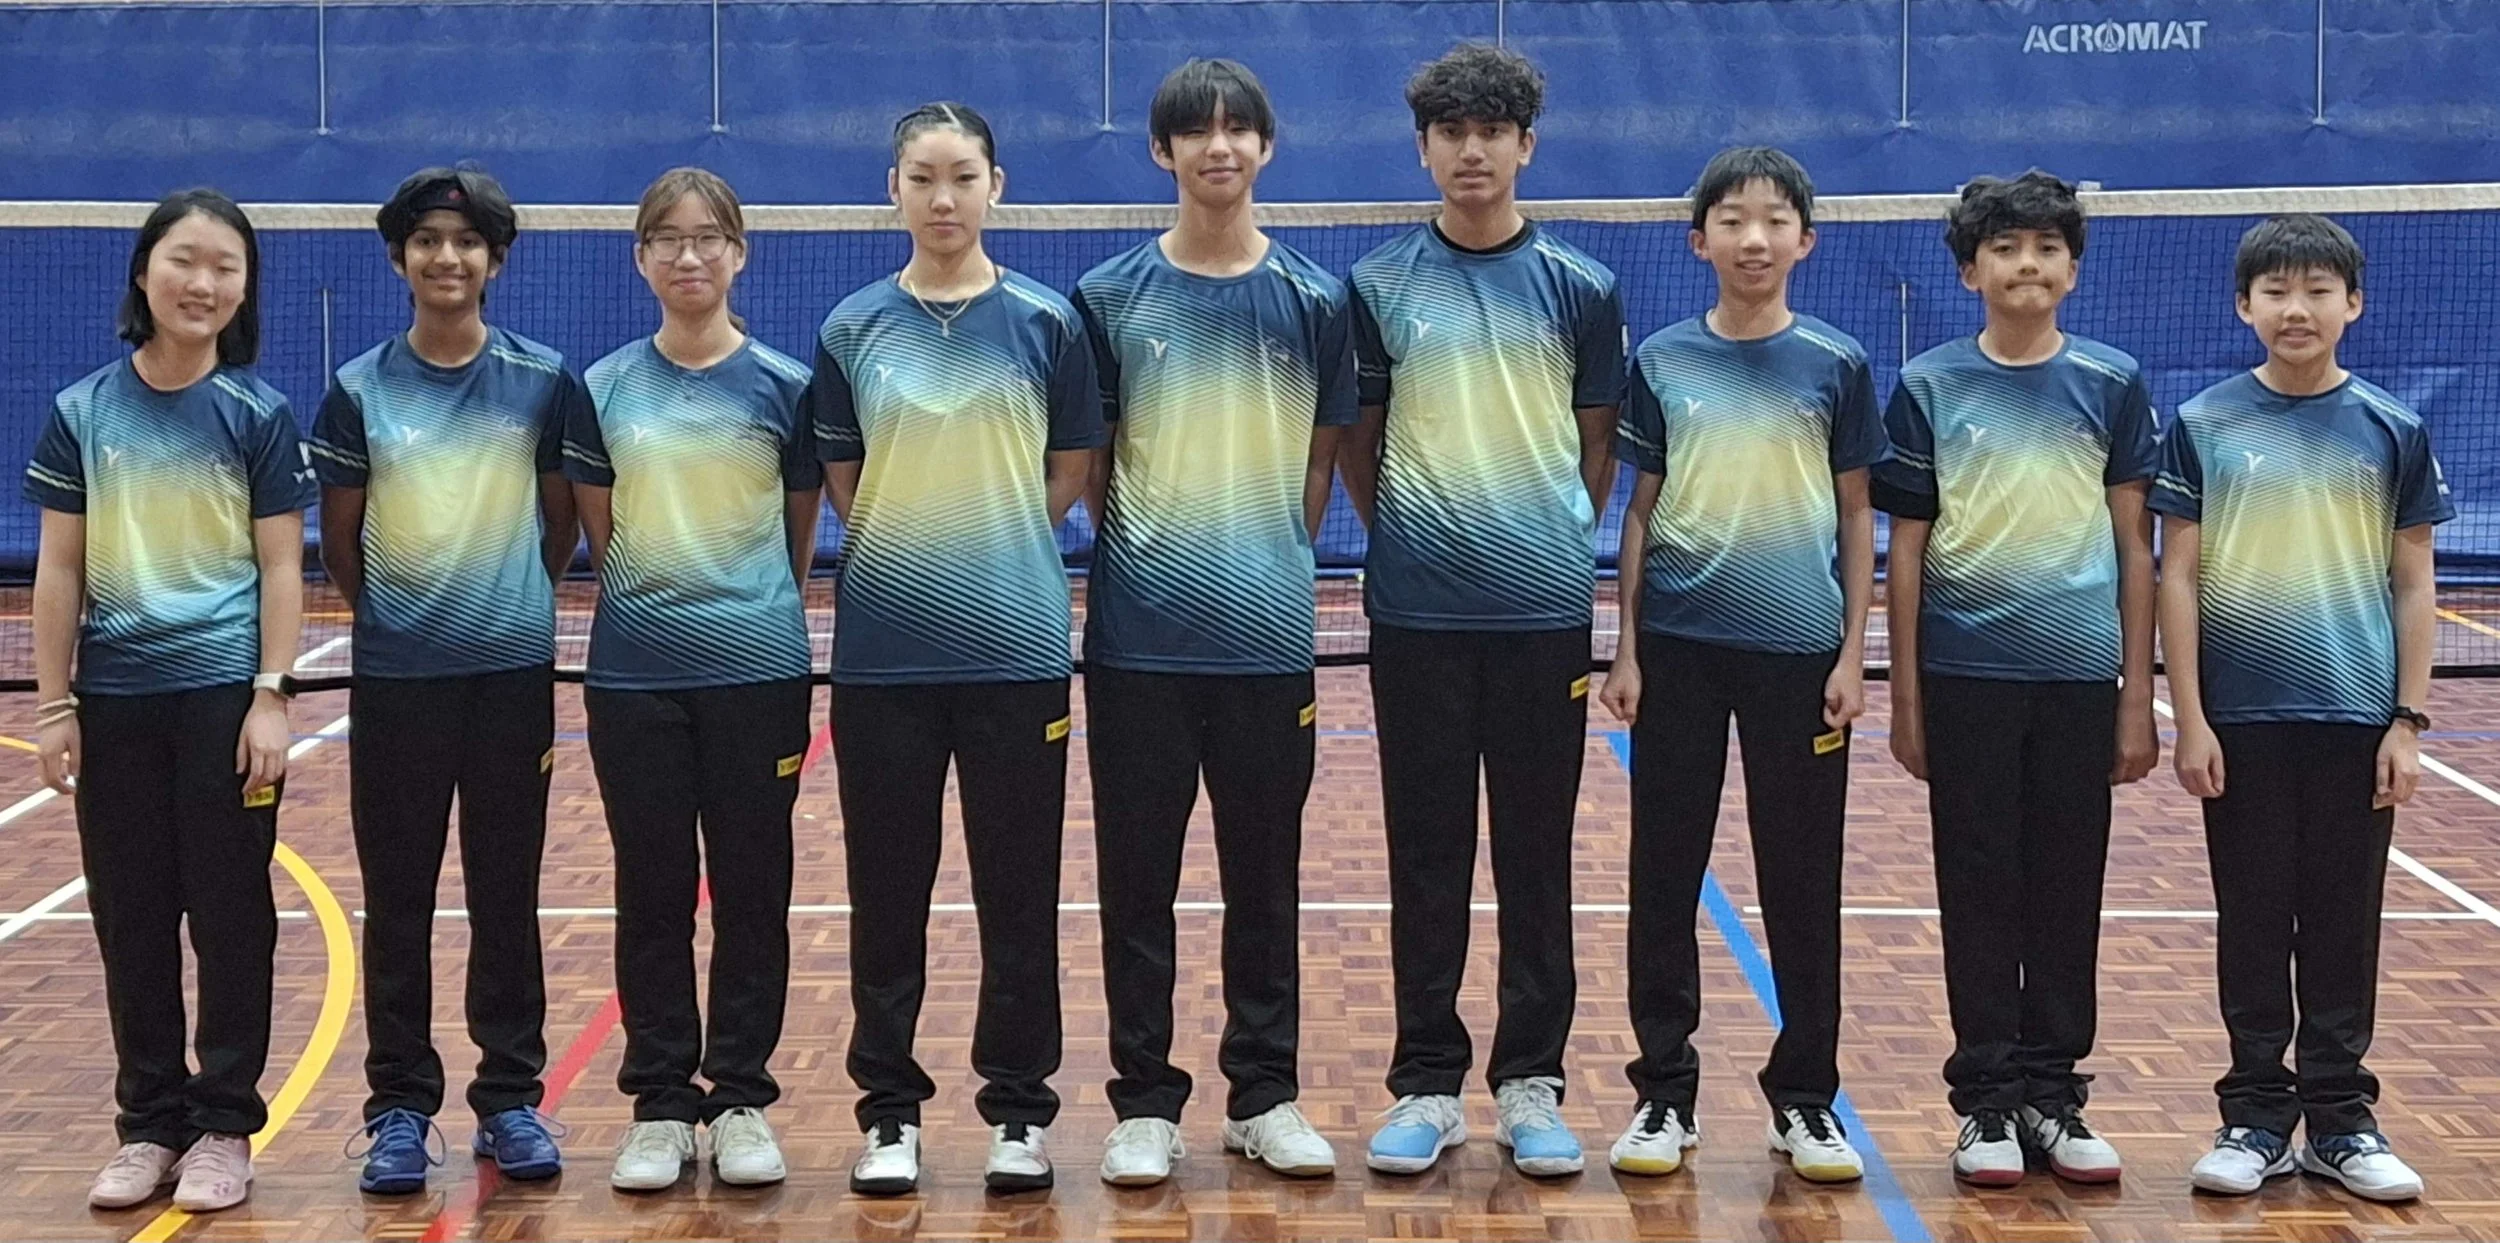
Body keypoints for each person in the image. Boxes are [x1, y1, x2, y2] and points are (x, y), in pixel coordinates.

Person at [1337, 43, 1624, 1178]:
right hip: (1416, 615)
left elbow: (1594, 445)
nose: (1471, 149)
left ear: (1524, 147)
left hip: (1540, 615)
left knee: (1537, 853)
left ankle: (1531, 1080)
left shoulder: (1580, 288)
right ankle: (1423, 1081)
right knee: (1427, 852)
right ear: (1423, 149)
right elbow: (1359, 442)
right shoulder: (1377, 287)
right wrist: (1413, 531)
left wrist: (1544, 540)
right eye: (1451, 132)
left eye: (1491, 131)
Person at [811, 102, 1101, 1197]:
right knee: (887, 892)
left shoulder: (1046, 324)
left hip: (1017, 649)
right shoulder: (852, 331)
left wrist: (996, 544)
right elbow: (848, 487)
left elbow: (1067, 471)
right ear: (893, 188)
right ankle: (889, 1112)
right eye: (922, 178)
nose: (943, 198)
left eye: (962, 177)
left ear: (996, 186)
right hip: (885, 655)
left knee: (1018, 893)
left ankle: (1018, 1111)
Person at [1074, 58, 1355, 1187]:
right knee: (1136, 881)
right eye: (1195, 131)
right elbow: (1096, 470)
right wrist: (1161, 555)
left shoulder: (1317, 302)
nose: (1218, 147)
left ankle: (1264, 1094)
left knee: (1264, 878)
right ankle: (1143, 1100)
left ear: (1267, 148)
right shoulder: (1106, 300)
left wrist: (1262, 566)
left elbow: (1319, 469)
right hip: (1138, 644)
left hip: (1267, 644)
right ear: (1162, 152)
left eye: (1239, 129)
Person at [27, 188, 316, 1213]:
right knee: (133, 917)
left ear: (243, 291)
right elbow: (59, 571)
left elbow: (285, 568)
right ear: (145, 271)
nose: (203, 283)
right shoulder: (82, 411)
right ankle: (148, 1122)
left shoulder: (257, 414)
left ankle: (224, 1124)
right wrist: (56, 704)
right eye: (185, 260)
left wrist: (272, 694)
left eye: (226, 268)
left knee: (232, 915)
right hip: (116, 704)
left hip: (222, 701)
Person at [1597, 147, 1882, 1184]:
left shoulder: (1836, 365)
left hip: (1800, 658)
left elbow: (1858, 515)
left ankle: (1804, 1098)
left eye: (1772, 221)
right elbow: (1637, 511)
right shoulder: (1665, 360)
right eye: (1731, 220)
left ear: (1804, 240)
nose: (1752, 238)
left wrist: (1855, 653)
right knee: (1662, 878)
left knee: (1803, 881)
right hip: (1676, 649)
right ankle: (1661, 1094)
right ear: (1698, 240)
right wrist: (1624, 646)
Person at [2157, 214, 2450, 1204]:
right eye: (2275, 290)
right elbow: (2179, 577)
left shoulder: (2390, 429)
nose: (2297, 307)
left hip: (2355, 719)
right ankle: (2251, 1114)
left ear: (2352, 305)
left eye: (2318, 289)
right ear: (2244, 306)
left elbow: (2414, 580)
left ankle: (2339, 1120)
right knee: (2249, 919)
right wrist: (2186, 716)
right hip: (2240, 718)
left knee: (2340, 921)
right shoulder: (2201, 424)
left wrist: (2406, 719)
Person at [1872, 171, 2156, 1187]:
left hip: (2080, 678)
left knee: (2066, 886)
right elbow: (1903, 552)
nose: (2025, 264)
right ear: (1968, 269)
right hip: (1964, 676)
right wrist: (1904, 696)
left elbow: (2134, 545)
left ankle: (2052, 1092)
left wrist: (2136, 693)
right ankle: (1985, 1099)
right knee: (1978, 885)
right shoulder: (1929, 385)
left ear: (2071, 268)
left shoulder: (2111, 384)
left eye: (2044, 248)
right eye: (2004, 248)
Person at [313, 164, 579, 1194]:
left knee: (505, 894)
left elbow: (559, 524)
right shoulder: (360, 388)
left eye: (467, 242)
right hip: (398, 684)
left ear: (495, 260)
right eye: (426, 240)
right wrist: (407, 620)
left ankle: (509, 1096)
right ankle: (399, 1106)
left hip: (510, 676)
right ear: (398, 257)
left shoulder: (540, 380)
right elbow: (342, 541)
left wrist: (505, 601)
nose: (447, 257)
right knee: (401, 898)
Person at [565, 166, 820, 1193]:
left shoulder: (786, 387)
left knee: (754, 891)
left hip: (759, 673)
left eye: (709, 236)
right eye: (666, 239)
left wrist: (748, 613)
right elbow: (599, 532)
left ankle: (744, 1095)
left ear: (739, 252)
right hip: (635, 679)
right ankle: (663, 1101)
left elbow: (799, 537)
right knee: (654, 889)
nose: (688, 255)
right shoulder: (605, 387)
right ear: (640, 258)